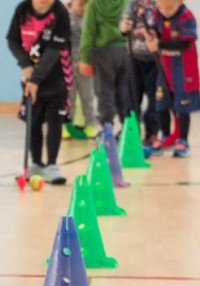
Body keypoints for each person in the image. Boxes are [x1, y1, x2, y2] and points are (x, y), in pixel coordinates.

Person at [7, 0, 72, 185]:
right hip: (29, 78)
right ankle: (36, 164)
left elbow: (54, 50)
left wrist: (36, 79)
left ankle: (52, 165)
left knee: (55, 121)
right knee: (33, 121)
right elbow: (12, 40)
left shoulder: (60, 12)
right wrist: (25, 65)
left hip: (58, 78)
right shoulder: (22, 9)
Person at [145, 0, 200, 157]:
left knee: (182, 107)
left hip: (183, 72)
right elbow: (155, 29)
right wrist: (152, 35)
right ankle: (165, 136)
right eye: (160, 7)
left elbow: (184, 45)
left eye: (168, 7)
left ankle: (182, 140)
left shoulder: (186, 17)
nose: (164, 11)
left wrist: (159, 45)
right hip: (165, 70)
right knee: (161, 104)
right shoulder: (158, 14)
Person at [79, 0, 129, 131]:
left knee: (104, 92)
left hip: (103, 52)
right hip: (126, 51)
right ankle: (127, 129)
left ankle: (107, 131)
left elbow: (88, 33)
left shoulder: (94, 4)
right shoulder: (127, 2)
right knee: (124, 92)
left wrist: (84, 57)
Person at [120, 0, 159, 146]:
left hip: (154, 59)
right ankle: (130, 130)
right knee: (131, 97)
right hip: (134, 57)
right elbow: (125, 25)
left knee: (154, 99)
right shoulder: (133, 4)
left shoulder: (159, 4)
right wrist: (124, 28)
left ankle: (152, 133)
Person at [65, 0, 98, 139]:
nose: (83, 8)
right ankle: (67, 126)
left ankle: (91, 125)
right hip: (68, 65)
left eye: (86, 5)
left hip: (86, 64)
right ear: (71, 4)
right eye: (80, 4)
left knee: (88, 97)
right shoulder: (64, 19)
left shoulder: (90, 20)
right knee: (69, 98)